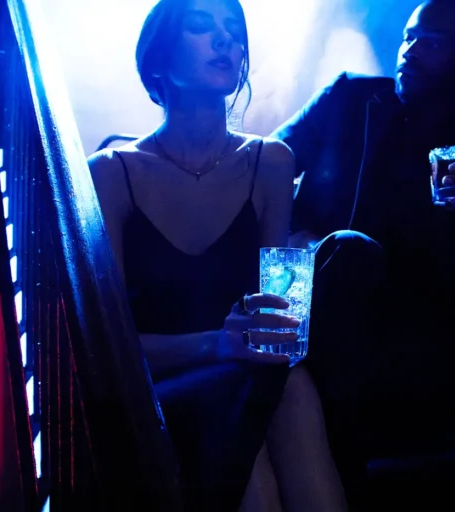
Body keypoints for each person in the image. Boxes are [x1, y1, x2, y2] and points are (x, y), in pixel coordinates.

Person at [272, 0, 455, 498]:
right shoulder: (351, 98)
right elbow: (270, 162)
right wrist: (288, 239)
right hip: (309, 292)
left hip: (398, 328)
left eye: (430, 43)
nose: (408, 51)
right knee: (351, 251)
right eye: (408, 38)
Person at [87, 0, 347, 510]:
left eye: (234, 29)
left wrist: (280, 326)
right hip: (164, 384)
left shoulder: (271, 161)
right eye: (202, 27)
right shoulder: (112, 173)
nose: (226, 40)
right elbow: (109, 349)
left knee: (285, 384)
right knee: (244, 401)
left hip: (252, 375)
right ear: (158, 60)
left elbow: (282, 322)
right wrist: (214, 345)